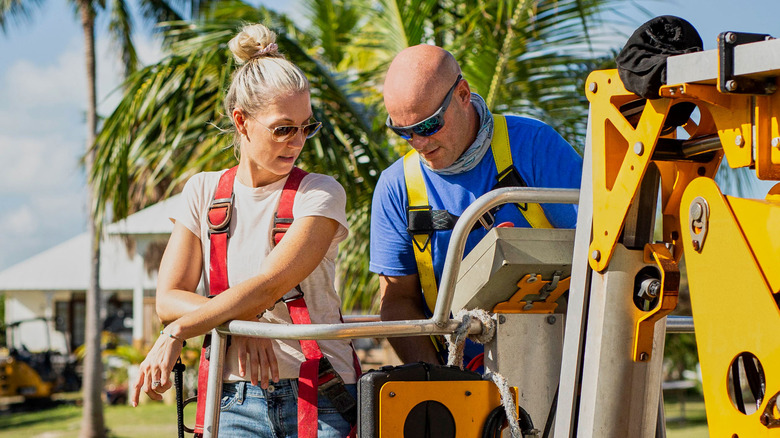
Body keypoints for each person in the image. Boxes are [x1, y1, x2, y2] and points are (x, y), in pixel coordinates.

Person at [131, 23, 358, 437]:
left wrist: (180, 330)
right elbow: (167, 297)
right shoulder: (203, 191)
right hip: (233, 399)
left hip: (321, 394)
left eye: (308, 127)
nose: (298, 141)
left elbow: (271, 284)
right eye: (283, 128)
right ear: (241, 121)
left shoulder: (320, 193)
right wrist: (238, 322)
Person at [369, 45, 582, 365]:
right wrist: (441, 384)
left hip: (559, 364)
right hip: (458, 372)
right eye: (404, 132)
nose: (419, 143)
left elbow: (598, 252)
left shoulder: (535, 147)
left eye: (428, 126)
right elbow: (397, 301)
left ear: (463, 93)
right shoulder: (396, 187)